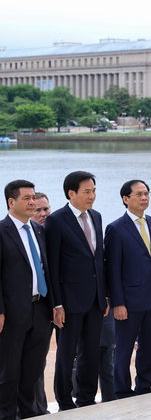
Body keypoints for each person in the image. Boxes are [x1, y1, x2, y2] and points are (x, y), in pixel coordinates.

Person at [46, 171, 109, 410]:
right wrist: (57, 303)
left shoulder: (97, 216)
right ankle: (64, 401)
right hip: (68, 301)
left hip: (95, 299)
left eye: (93, 190)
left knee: (91, 352)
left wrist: (105, 295)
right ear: (71, 193)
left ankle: (86, 398)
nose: (92, 195)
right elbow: (53, 265)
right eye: (87, 191)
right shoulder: (57, 220)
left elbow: (99, 259)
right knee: (66, 353)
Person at [104, 180, 151, 398]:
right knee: (123, 350)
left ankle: (144, 387)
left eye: (146, 193)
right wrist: (118, 303)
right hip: (129, 301)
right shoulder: (116, 228)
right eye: (139, 194)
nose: (144, 198)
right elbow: (112, 270)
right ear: (126, 199)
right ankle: (122, 391)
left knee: (149, 346)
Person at [0, 180, 54, 420]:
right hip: (12, 314)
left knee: (33, 370)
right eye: (27, 198)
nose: (33, 202)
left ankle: (29, 414)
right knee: (8, 372)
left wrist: (55, 305)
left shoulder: (39, 230)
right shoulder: (2, 231)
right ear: (11, 202)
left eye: (34, 197)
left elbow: (47, 271)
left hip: (41, 310)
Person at [31, 191, 52, 415]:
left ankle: (41, 409)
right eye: (38, 210)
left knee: (39, 363)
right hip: (26, 308)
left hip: (51, 307)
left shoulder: (52, 233)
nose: (44, 214)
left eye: (46, 209)